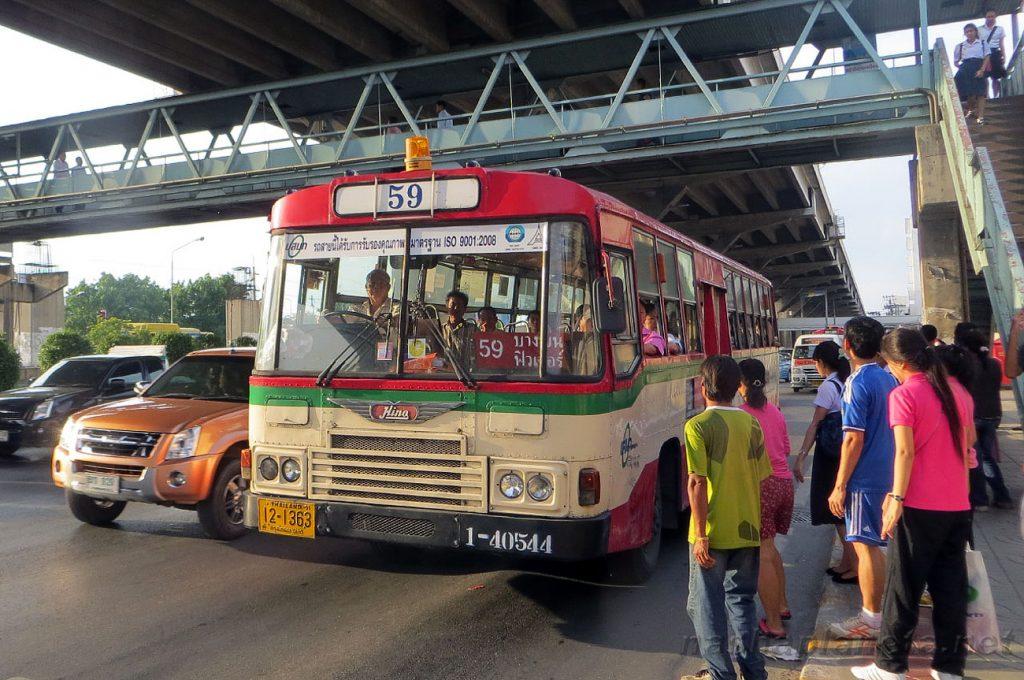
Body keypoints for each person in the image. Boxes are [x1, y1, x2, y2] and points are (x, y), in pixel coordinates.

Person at [851, 328, 975, 680]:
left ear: (901, 363)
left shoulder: (904, 394)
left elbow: (904, 452)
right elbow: (967, 449)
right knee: (950, 591)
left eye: (888, 364)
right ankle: (949, 668)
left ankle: (890, 666)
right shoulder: (957, 392)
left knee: (903, 588)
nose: (888, 370)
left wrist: (895, 498)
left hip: (918, 505)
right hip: (956, 505)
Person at [682, 355, 771, 680]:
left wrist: (701, 535)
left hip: (712, 532)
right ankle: (754, 671)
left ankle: (721, 674)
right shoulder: (752, 424)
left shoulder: (698, 426)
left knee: (704, 607)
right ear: (737, 388)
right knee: (742, 602)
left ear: (703, 387)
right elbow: (761, 477)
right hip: (747, 530)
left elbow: (697, 482)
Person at [828, 317, 898, 640]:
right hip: (888, 474)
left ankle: (870, 618)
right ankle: (877, 612)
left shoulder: (856, 383)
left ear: (848, 346)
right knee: (874, 546)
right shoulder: (888, 378)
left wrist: (840, 485)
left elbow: (853, 439)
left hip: (865, 478)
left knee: (864, 547)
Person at [792, 341, 857, 583]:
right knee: (843, 512)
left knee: (837, 513)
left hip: (830, 456)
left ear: (820, 363)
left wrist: (801, 456)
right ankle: (846, 563)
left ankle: (855, 565)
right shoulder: (847, 381)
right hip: (846, 452)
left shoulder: (828, 387)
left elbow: (815, 425)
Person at [738, 359, 793, 640]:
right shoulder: (775, 412)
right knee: (771, 549)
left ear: (741, 384)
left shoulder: (742, 416)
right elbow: (785, 448)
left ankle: (774, 623)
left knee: (762, 554)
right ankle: (781, 606)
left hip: (763, 486)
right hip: (784, 485)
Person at [955, 323, 1013, 510]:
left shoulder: (967, 366)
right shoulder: (994, 364)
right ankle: (1001, 496)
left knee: (977, 458)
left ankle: (981, 498)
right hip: (993, 415)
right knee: (986, 457)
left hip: (975, 416)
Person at [953, 23, 992, 124]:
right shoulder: (960, 46)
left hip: (979, 66)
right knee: (969, 93)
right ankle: (970, 110)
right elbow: (956, 61)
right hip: (966, 67)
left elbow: (987, 57)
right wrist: (962, 69)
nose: (969, 33)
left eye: (971, 31)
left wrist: (982, 70)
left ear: (975, 32)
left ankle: (981, 117)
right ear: (965, 33)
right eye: (967, 32)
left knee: (981, 93)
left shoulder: (982, 43)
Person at [440, 290, 476, 364]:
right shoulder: (440, 329)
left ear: (465, 309)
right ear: (447, 307)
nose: (456, 308)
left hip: (465, 371)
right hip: (443, 371)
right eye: (453, 305)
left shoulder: (473, 330)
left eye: (459, 305)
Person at [979, 10, 1006, 98]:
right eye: (988, 16)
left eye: (992, 16)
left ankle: (996, 96)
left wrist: (1004, 55)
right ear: (985, 17)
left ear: (995, 17)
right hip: (983, 54)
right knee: (985, 76)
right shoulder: (979, 29)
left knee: (996, 77)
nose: (990, 18)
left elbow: (1001, 43)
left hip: (995, 53)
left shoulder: (1000, 29)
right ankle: (987, 96)